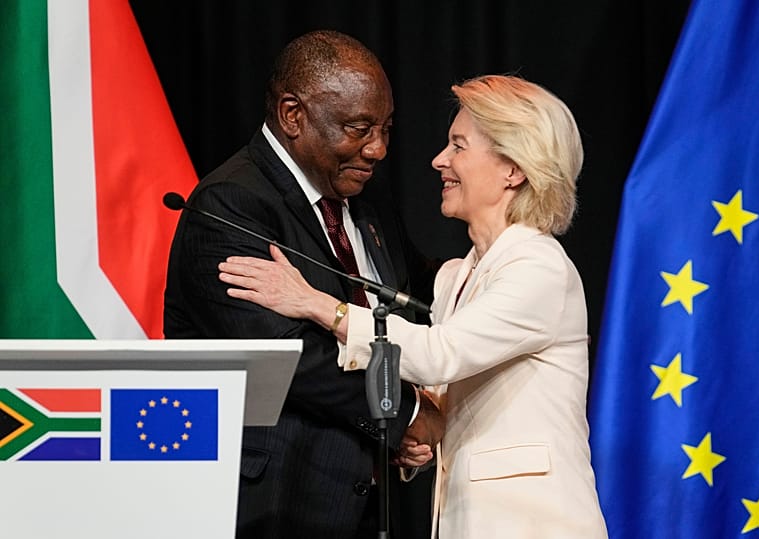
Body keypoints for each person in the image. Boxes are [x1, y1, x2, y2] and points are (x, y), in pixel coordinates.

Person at [217, 74, 609, 538]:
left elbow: (437, 352)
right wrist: (423, 425)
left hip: (534, 522)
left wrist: (316, 304)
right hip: (466, 518)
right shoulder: (457, 276)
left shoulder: (538, 266)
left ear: (514, 169)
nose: (440, 160)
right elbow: (446, 387)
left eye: (459, 146)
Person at [163, 30, 443, 539]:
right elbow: (286, 356)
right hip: (275, 504)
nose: (378, 149)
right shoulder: (231, 206)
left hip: (374, 503)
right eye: (360, 128)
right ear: (293, 115)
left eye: (385, 128)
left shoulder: (366, 203)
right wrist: (400, 414)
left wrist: (506, 264)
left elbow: (422, 301)